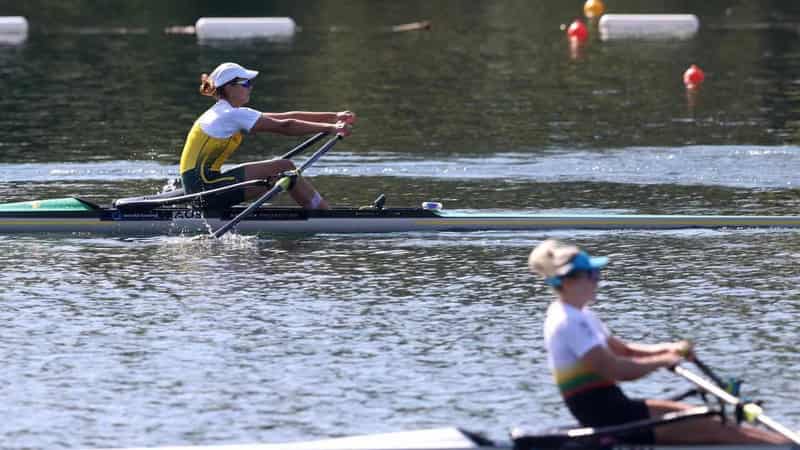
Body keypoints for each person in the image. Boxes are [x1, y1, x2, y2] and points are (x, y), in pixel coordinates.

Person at [527, 238, 789, 445]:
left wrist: (667, 348)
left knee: (717, 421)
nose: (598, 281)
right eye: (593, 275)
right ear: (571, 281)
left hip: (616, 407)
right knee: (722, 431)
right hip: (607, 416)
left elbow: (625, 350)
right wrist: (662, 361)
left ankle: (788, 443)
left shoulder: (582, 314)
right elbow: (615, 369)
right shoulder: (568, 321)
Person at [179, 62, 356, 210]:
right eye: (246, 83)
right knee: (284, 167)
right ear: (229, 87)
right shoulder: (230, 114)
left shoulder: (227, 111)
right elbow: (286, 126)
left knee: (278, 171)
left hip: (201, 187)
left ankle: (319, 211)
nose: (250, 87)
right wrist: (332, 128)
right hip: (205, 191)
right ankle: (325, 215)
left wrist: (334, 116)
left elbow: (285, 116)